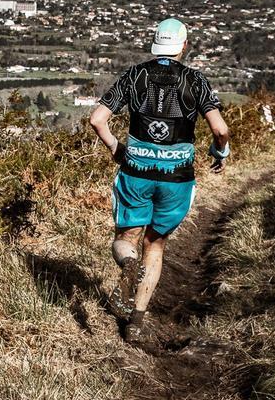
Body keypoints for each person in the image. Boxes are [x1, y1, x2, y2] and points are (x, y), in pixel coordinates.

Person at [89, 17, 230, 344]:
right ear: (183, 46)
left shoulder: (134, 74)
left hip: (136, 171)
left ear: (155, 44)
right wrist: (218, 152)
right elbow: (221, 130)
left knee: (127, 237)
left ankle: (127, 261)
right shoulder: (196, 81)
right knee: (156, 244)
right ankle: (135, 321)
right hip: (176, 178)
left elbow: (97, 119)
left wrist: (116, 149)